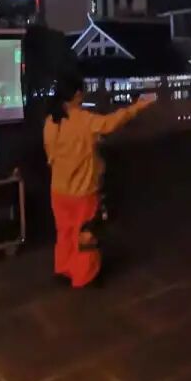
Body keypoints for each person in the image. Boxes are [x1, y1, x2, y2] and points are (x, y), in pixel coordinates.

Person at [43, 75, 156, 288]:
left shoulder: (51, 121)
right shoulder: (84, 120)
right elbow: (111, 123)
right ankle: (84, 276)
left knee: (65, 232)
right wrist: (137, 107)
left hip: (58, 190)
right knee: (86, 234)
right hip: (83, 190)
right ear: (77, 94)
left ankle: (64, 269)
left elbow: (50, 155)